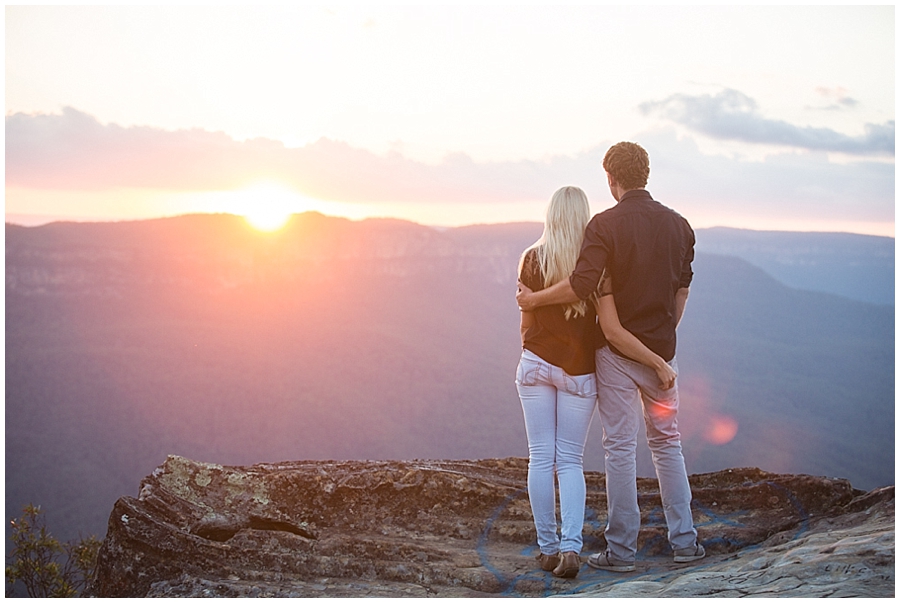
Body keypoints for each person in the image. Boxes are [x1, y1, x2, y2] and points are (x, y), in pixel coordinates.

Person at [516, 142, 704, 573]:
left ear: (612, 179)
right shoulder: (680, 226)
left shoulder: (604, 226)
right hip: (663, 353)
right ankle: (686, 544)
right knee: (667, 444)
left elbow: (583, 285)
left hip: (616, 354)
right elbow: (682, 289)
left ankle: (621, 553)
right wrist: (660, 346)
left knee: (620, 449)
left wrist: (534, 301)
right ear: (646, 174)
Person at [515, 186, 598, 579]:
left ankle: (547, 549)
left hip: (534, 364)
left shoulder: (532, 259)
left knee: (540, 457)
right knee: (570, 460)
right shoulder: (595, 262)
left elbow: (526, 322)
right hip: (578, 371)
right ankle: (570, 548)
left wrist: (532, 350)